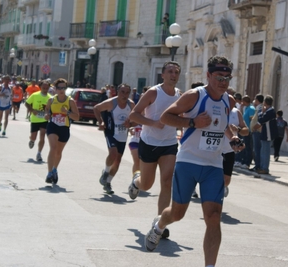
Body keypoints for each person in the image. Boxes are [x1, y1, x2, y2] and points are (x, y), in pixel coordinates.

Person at [144, 56, 241, 267]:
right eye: (219, 77)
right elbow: (166, 117)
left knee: (214, 216)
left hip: (214, 164)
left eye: (227, 77)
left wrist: (232, 137)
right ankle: (159, 225)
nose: (223, 81)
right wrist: (192, 122)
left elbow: (224, 124)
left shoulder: (229, 100)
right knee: (177, 213)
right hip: (188, 161)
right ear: (208, 76)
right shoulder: (194, 96)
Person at [128, 61, 181, 239]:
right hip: (149, 142)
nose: (173, 75)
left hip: (169, 144)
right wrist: (153, 123)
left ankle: (160, 224)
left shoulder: (179, 95)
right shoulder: (154, 92)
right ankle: (136, 182)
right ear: (163, 75)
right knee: (147, 184)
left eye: (176, 72)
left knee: (167, 182)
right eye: (170, 71)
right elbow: (134, 114)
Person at [94, 84, 134, 194]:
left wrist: (130, 124)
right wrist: (101, 121)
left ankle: (108, 182)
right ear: (117, 92)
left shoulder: (131, 105)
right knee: (113, 154)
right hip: (111, 131)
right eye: (122, 92)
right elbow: (96, 108)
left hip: (122, 134)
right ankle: (106, 173)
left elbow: (136, 120)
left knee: (118, 161)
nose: (124, 95)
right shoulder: (111, 102)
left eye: (127, 92)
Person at [44, 78, 79, 184]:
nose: (61, 90)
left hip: (64, 127)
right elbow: (46, 111)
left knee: (59, 152)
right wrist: (47, 115)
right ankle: (49, 173)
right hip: (53, 126)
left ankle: (55, 169)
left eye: (63, 88)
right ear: (55, 89)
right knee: (53, 148)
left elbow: (77, 117)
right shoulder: (51, 100)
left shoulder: (70, 101)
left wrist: (67, 112)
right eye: (59, 88)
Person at [222, 90, 249, 198]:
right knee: (214, 177)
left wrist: (238, 129)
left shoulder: (236, 112)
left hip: (229, 150)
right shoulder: (217, 110)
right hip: (215, 150)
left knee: (226, 179)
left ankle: (223, 187)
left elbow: (246, 130)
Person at [25, 80, 51, 162]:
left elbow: (52, 108)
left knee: (42, 136)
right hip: (35, 119)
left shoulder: (50, 98)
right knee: (34, 137)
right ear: (40, 87)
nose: (45, 88)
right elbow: (27, 103)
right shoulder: (35, 95)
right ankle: (32, 140)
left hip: (44, 119)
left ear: (48, 87)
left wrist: (49, 115)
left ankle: (39, 153)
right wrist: (32, 110)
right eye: (44, 86)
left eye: (47, 86)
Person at [253, 95, 277, 174]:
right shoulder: (268, 111)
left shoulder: (270, 111)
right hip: (264, 133)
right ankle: (263, 167)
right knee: (263, 151)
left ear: (265, 102)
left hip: (268, 134)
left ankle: (265, 168)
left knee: (265, 152)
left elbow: (261, 120)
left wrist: (262, 112)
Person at [239, 95, 255, 169]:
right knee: (244, 146)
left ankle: (247, 162)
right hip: (245, 131)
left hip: (249, 131)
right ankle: (243, 161)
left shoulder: (251, 108)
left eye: (243, 101)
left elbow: (252, 120)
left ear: (245, 101)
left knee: (248, 147)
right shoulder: (246, 108)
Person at [249, 94, 264, 172]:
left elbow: (260, 121)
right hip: (256, 131)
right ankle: (257, 165)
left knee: (257, 149)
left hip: (257, 131)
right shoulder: (257, 108)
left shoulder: (260, 109)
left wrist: (254, 128)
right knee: (256, 149)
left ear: (258, 100)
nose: (254, 101)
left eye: (255, 99)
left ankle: (258, 165)